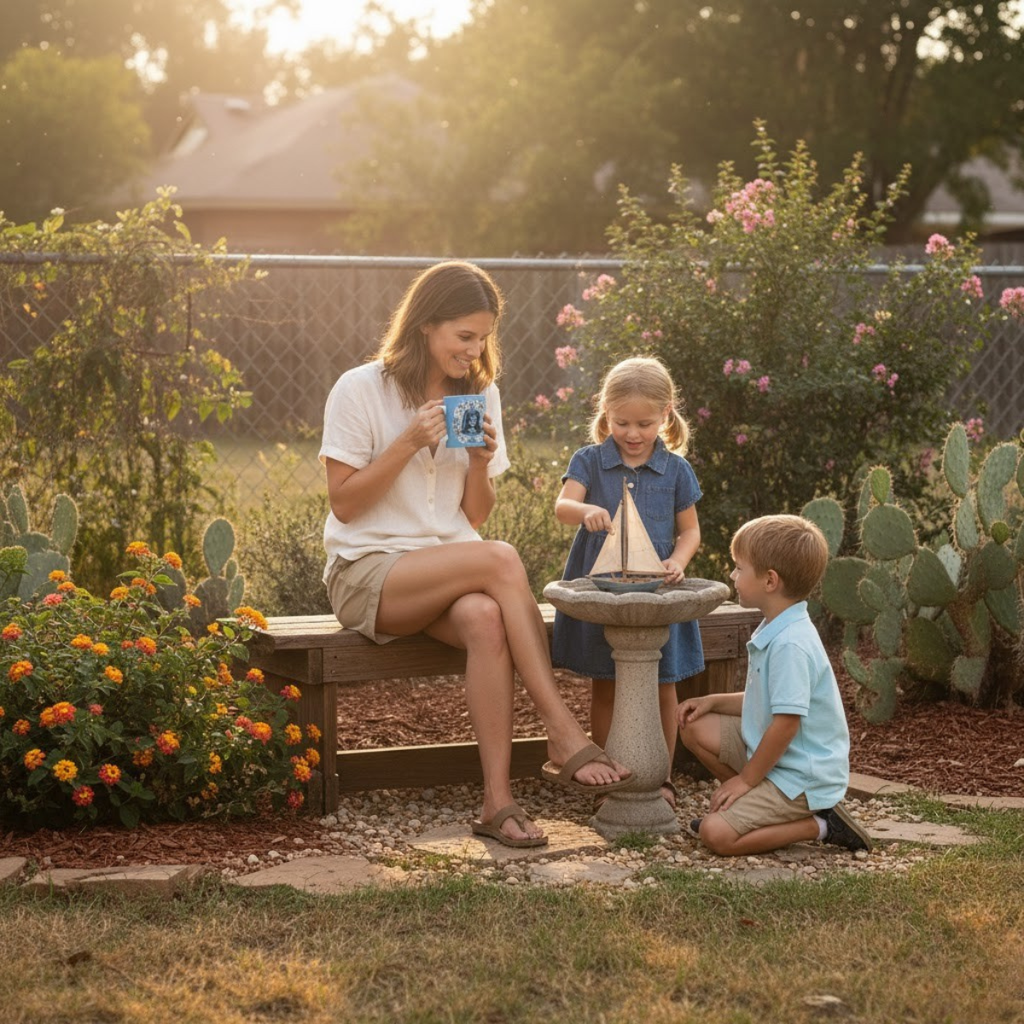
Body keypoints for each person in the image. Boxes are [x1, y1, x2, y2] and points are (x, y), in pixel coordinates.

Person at [320, 260, 631, 849]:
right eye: (464, 336)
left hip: (448, 569)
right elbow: (344, 505)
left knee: (487, 618)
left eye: (483, 337)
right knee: (501, 559)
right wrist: (408, 441)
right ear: (424, 327)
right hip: (369, 571)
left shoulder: (479, 394)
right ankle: (561, 731)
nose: (475, 349)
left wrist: (482, 463)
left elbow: (474, 517)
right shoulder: (360, 389)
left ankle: (498, 801)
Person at [551, 356, 703, 810]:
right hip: (604, 593)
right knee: (606, 681)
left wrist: (677, 559)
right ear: (605, 413)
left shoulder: (676, 470)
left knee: (662, 681)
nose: (633, 434)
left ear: (666, 414)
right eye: (621, 423)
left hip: (657, 593)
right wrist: (585, 512)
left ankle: (663, 777)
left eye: (644, 423)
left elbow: (690, 531)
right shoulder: (590, 461)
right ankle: (611, 777)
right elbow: (563, 506)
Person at [677, 514, 873, 855]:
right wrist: (712, 701)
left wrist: (746, 779)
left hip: (802, 777)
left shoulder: (790, 645)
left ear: (770, 580)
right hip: (778, 760)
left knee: (715, 835)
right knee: (696, 726)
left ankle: (824, 825)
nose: (733, 575)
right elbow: (764, 701)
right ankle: (749, 807)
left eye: (739, 568)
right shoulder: (777, 626)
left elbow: (785, 725)